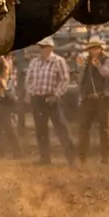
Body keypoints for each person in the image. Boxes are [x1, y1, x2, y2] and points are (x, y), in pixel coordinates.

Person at [24, 38, 76, 166]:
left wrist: (56, 95)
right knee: (41, 130)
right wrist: (30, 92)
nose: (43, 49)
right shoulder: (34, 62)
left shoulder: (58, 61)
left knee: (61, 127)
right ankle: (45, 158)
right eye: (42, 47)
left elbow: (65, 80)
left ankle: (71, 158)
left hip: (52, 98)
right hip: (38, 98)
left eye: (45, 47)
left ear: (51, 48)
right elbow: (29, 80)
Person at [75, 36, 109, 164]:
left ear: (100, 48)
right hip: (88, 98)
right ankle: (82, 158)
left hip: (103, 98)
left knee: (104, 129)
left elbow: (107, 74)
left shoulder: (108, 61)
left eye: (95, 48)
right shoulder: (85, 61)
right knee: (83, 128)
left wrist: (98, 65)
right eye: (91, 48)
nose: (93, 51)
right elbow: (81, 78)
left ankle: (105, 158)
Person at [0, 55, 24, 159]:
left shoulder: (6, 62)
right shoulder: (4, 61)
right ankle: (2, 152)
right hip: (1, 95)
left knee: (8, 125)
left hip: (6, 96)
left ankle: (16, 152)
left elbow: (7, 81)